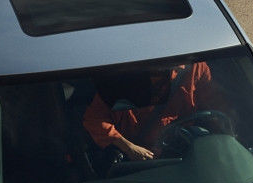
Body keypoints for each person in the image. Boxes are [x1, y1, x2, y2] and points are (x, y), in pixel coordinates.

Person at [82, 61, 219, 161]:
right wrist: (128, 147)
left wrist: (226, 124)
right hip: (140, 161)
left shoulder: (196, 67)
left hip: (183, 153)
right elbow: (94, 119)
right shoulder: (124, 75)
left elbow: (214, 104)